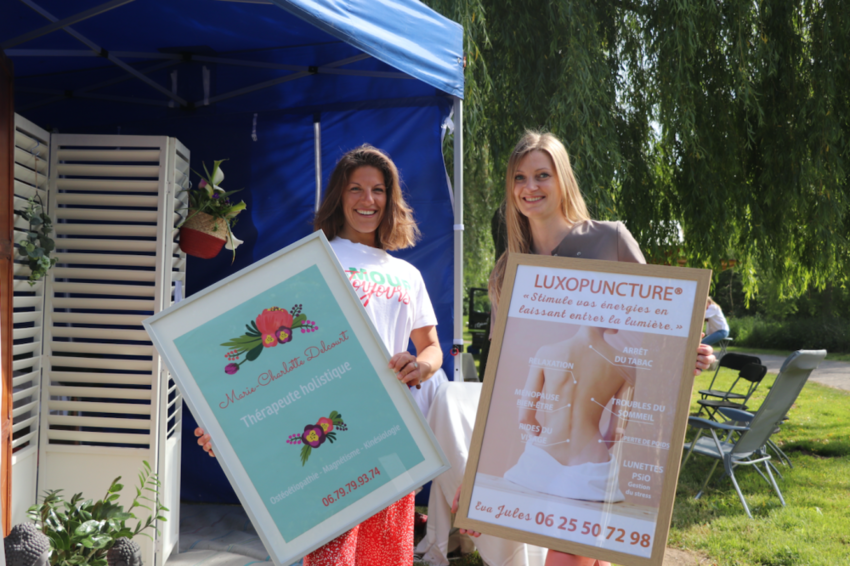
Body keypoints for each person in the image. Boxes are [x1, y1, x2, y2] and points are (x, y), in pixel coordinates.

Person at [451, 131, 715, 566]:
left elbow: (660, 326)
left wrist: (688, 354)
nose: (529, 187)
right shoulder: (506, 271)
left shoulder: (610, 240)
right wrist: (476, 475)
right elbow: (501, 383)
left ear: (563, 180)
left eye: (542, 175)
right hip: (536, 463)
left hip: (591, 464)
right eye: (519, 177)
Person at [195, 144, 442, 566]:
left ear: (391, 198)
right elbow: (276, 358)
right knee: (331, 557)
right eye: (355, 189)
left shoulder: (408, 275)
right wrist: (228, 425)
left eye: (378, 189)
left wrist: (421, 364)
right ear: (338, 197)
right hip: (329, 438)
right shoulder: (311, 263)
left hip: (393, 434)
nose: (368, 200)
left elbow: (432, 347)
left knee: (385, 557)